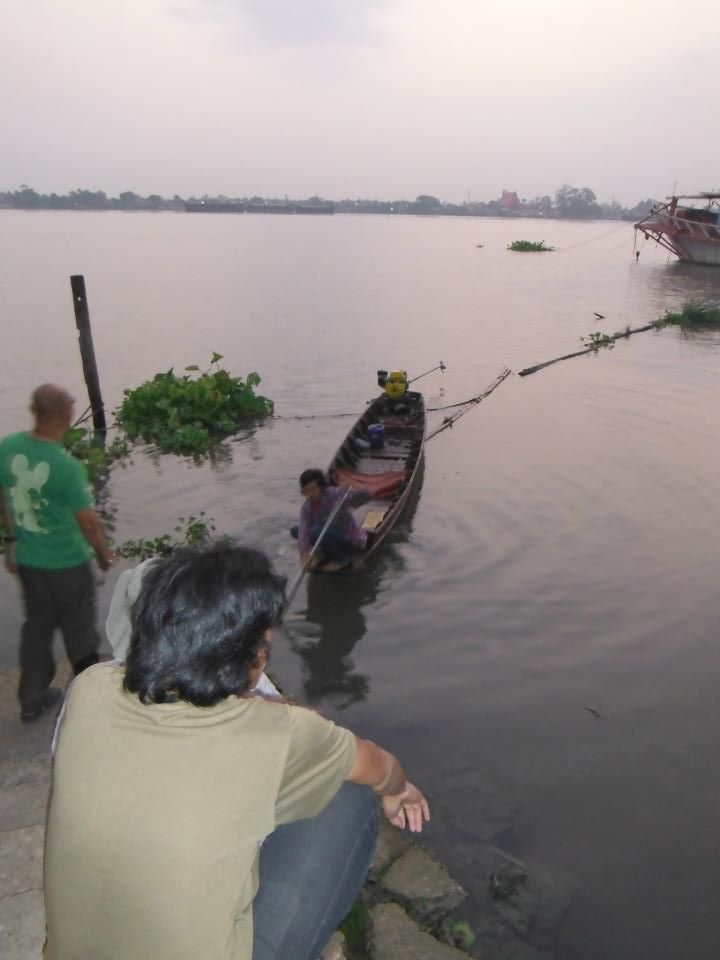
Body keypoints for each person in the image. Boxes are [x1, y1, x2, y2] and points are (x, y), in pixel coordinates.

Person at [45, 544, 430, 960]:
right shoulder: (278, 735)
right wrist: (398, 790)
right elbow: (377, 764)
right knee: (351, 796)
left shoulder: (89, 690)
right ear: (253, 661)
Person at [0, 384, 116, 722]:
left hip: (29, 561)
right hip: (67, 562)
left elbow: (5, 496)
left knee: (37, 626)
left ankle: (32, 697)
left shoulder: (7, 447)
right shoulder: (65, 466)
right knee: (80, 631)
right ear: (66, 414)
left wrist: (11, 541)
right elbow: (89, 522)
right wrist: (104, 553)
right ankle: (89, 701)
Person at [296, 467, 371, 572]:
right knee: (296, 530)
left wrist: (354, 485)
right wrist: (304, 554)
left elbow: (365, 497)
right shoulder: (306, 508)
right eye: (306, 491)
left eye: (313, 489)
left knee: (316, 531)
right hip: (329, 537)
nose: (310, 494)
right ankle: (324, 553)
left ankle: (342, 561)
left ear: (321, 487)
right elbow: (303, 530)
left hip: (351, 541)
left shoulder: (335, 494)